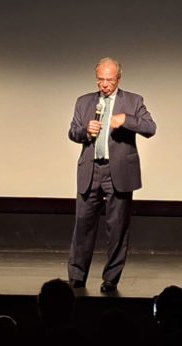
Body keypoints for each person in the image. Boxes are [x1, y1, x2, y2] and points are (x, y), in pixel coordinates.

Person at [68, 57, 156, 293]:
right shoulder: (84, 102)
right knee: (82, 226)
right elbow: (72, 132)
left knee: (117, 228)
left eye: (109, 80)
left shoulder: (133, 101)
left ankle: (111, 279)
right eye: (100, 80)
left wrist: (125, 120)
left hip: (119, 172)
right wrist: (86, 131)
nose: (104, 85)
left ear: (118, 78)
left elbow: (150, 128)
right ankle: (77, 276)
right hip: (91, 170)